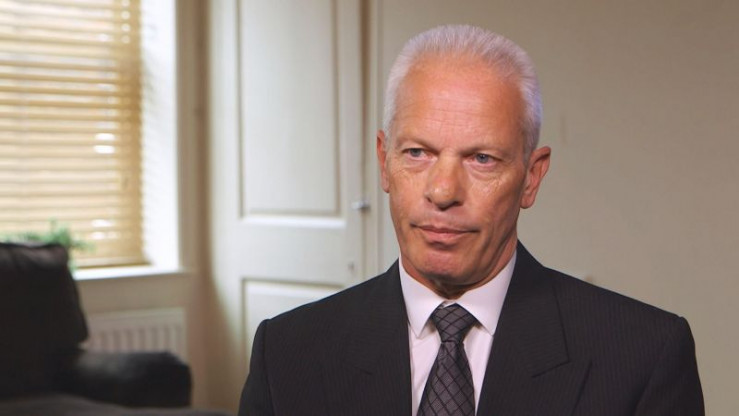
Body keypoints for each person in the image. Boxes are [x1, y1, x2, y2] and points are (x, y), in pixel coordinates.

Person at [238, 24, 703, 416]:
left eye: (481, 159)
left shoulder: (644, 357)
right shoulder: (286, 354)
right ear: (384, 163)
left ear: (531, 177)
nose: (443, 192)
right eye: (417, 153)